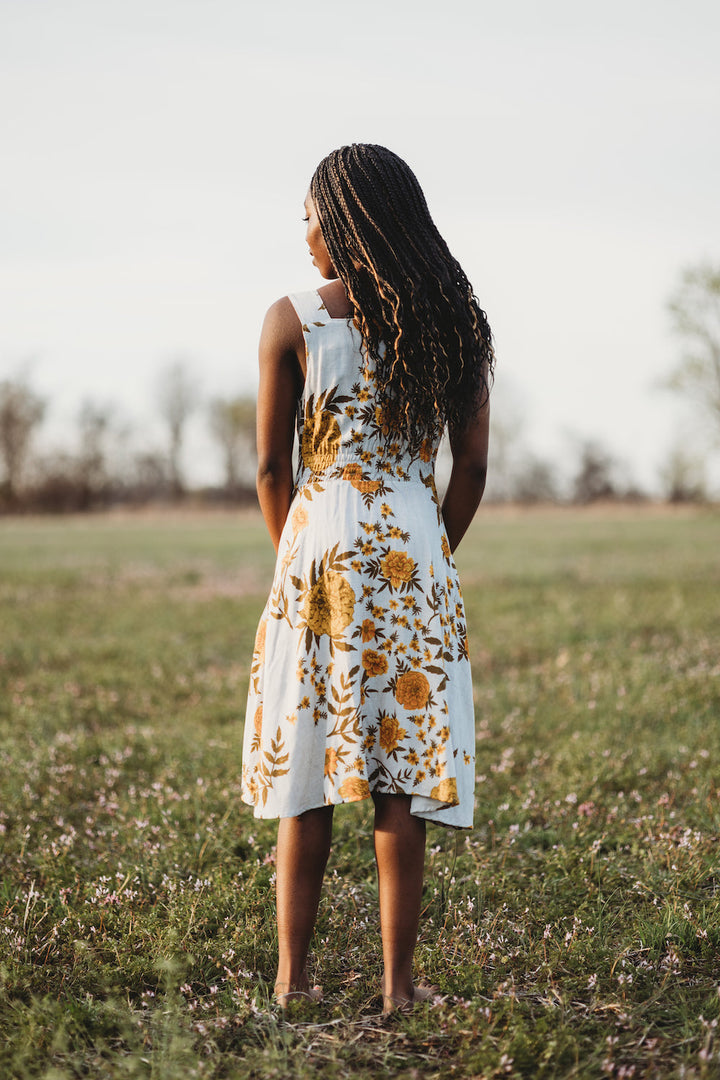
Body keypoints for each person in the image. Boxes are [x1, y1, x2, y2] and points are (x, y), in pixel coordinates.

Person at [241, 144, 493, 1013]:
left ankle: (292, 979)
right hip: (413, 554)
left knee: (308, 770)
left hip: (318, 556)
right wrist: (431, 555)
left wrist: (296, 558)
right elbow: (471, 471)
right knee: (400, 785)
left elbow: (273, 469)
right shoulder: (456, 324)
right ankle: (396, 988)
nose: (304, 231)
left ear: (344, 220)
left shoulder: (291, 321)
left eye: (310, 213)